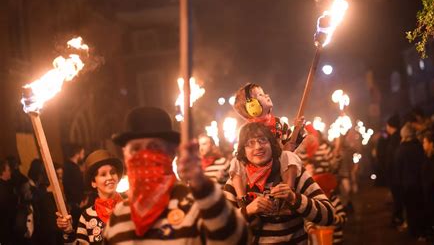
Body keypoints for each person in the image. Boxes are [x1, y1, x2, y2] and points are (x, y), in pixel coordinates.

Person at [103, 106, 248, 244]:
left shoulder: (197, 206)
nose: (144, 155)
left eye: (154, 147)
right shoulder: (118, 216)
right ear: (125, 155)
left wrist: (202, 185)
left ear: (171, 153)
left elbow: (236, 240)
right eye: (135, 149)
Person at [224, 121, 335, 244]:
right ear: (243, 150)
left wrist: (294, 198)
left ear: (271, 144)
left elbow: (329, 216)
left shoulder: (294, 172)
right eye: (250, 143)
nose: (258, 147)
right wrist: (248, 210)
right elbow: (221, 227)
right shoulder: (236, 180)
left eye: (262, 140)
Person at [232, 83, 304, 199]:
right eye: (261, 95)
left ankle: (288, 193)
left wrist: (297, 130)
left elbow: (289, 146)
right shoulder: (245, 131)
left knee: (289, 156)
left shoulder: (279, 123)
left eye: (264, 93)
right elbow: (242, 154)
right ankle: (242, 199)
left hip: (277, 166)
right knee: (235, 162)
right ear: (252, 106)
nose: (267, 95)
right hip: (254, 166)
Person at [57, 149, 124, 244]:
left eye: (113, 172)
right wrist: (68, 231)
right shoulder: (87, 216)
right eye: (103, 174)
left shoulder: (130, 209)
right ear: (93, 183)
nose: (110, 177)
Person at [394, 122, 424, 239]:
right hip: (420, 184)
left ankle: (414, 233)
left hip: (407, 186)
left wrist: (398, 187)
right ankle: (421, 231)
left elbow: (398, 170)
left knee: (411, 211)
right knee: (420, 208)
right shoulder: (420, 147)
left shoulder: (401, 150)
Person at [308, 172, 347, 244]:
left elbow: (343, 219)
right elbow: (309, 218)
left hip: (335, 240)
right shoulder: (315, 202)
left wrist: (330, 219)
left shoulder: (335, 200)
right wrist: (310, 227)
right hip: (318, 239)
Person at [421, 131, 434, 242]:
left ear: (431, 144)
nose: (423, 144)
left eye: (424, 142)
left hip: (433, 196)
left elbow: (432, 178)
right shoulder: (428, 157)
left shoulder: (433, 159)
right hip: (430, 194)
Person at [385, 114, 403, 227]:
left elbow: (392, 158)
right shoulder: (396, 137)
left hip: (396, 175)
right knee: (397, 198)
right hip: (396, 174)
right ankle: (397, 217)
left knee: (398, 198)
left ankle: (397, 219)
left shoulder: (395, 139)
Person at [63, 143, 86, 227]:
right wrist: (80, 201)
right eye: (82, 153)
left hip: (73, 202)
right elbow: (75, 186)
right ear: (77, 154)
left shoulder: (67, 165)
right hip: (76, 204)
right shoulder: (73, 168)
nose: (83, 156)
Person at [0, 159, 15, 245]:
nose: (10, 172)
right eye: (8, 170)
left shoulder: (7, 185)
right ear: (3, 172)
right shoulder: (2, 188)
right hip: (5, 228)